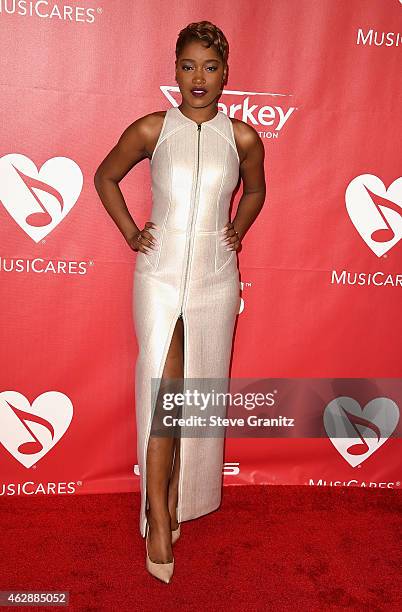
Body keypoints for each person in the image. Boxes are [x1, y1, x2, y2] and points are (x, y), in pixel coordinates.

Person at [94, 20, 266, 583]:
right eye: (188, 65)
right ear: (174, 70)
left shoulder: (241, 137)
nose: (199, 77)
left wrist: (237, 226)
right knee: (165, 391)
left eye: (210, 67)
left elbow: (257, 189)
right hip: (160, 275)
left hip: (217, 278)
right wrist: (130, 232)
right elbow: (106, 176)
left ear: (225, 75)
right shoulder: (153, 130)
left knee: (197, 396)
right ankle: (158, 516)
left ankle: (179, 501)